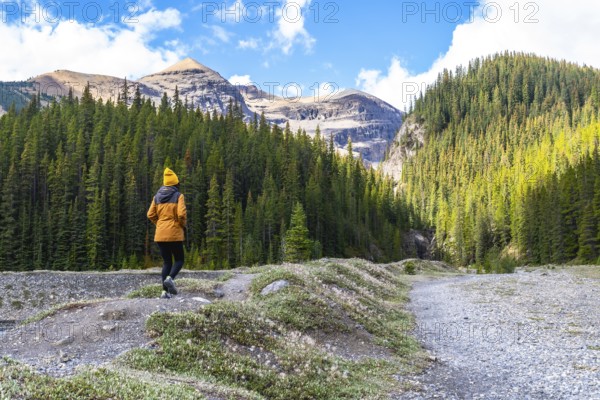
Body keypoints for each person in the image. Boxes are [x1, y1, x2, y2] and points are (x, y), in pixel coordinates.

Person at [147, 168, 187, 299]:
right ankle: (170, 278)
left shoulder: (157, 197)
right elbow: (181, 214)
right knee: (179, 259)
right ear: (175, 183)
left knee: (167, 263)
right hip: (174, 233)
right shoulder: (178, 196)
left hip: (160, 234)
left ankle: (164, 292)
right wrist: (181, 225)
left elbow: (150, 214)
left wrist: (159, 224)